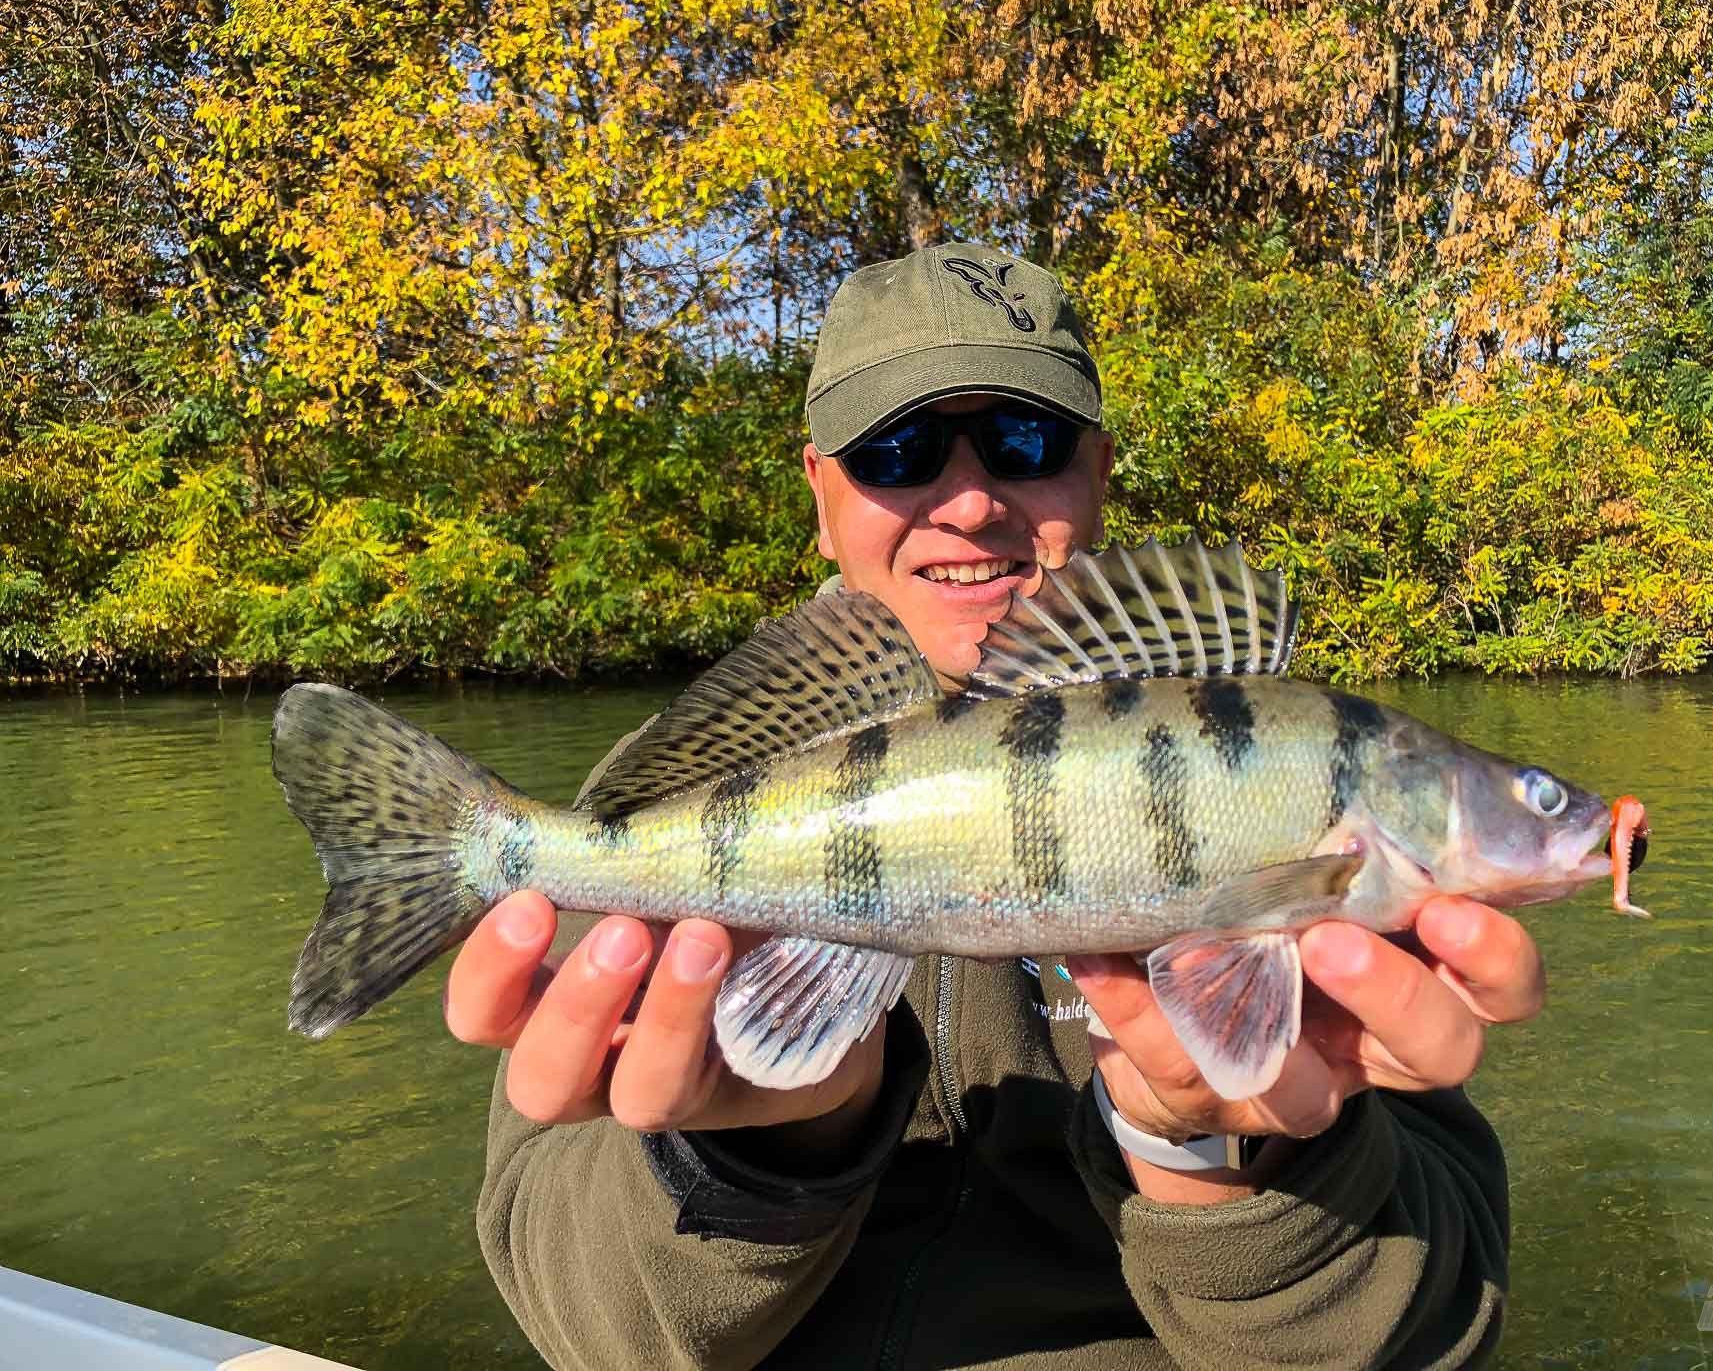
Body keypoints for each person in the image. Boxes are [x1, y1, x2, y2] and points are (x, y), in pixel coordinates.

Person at [449, 245, 1539, 1370]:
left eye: (1026, 442)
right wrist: (772, 1145)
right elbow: (596, 1336)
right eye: (899, 450)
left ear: (1097, 472)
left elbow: (1437, 1333)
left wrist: (1218, 1154)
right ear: (822, 496)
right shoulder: (677, 788)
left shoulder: (1310, 789)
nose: (969, 500)